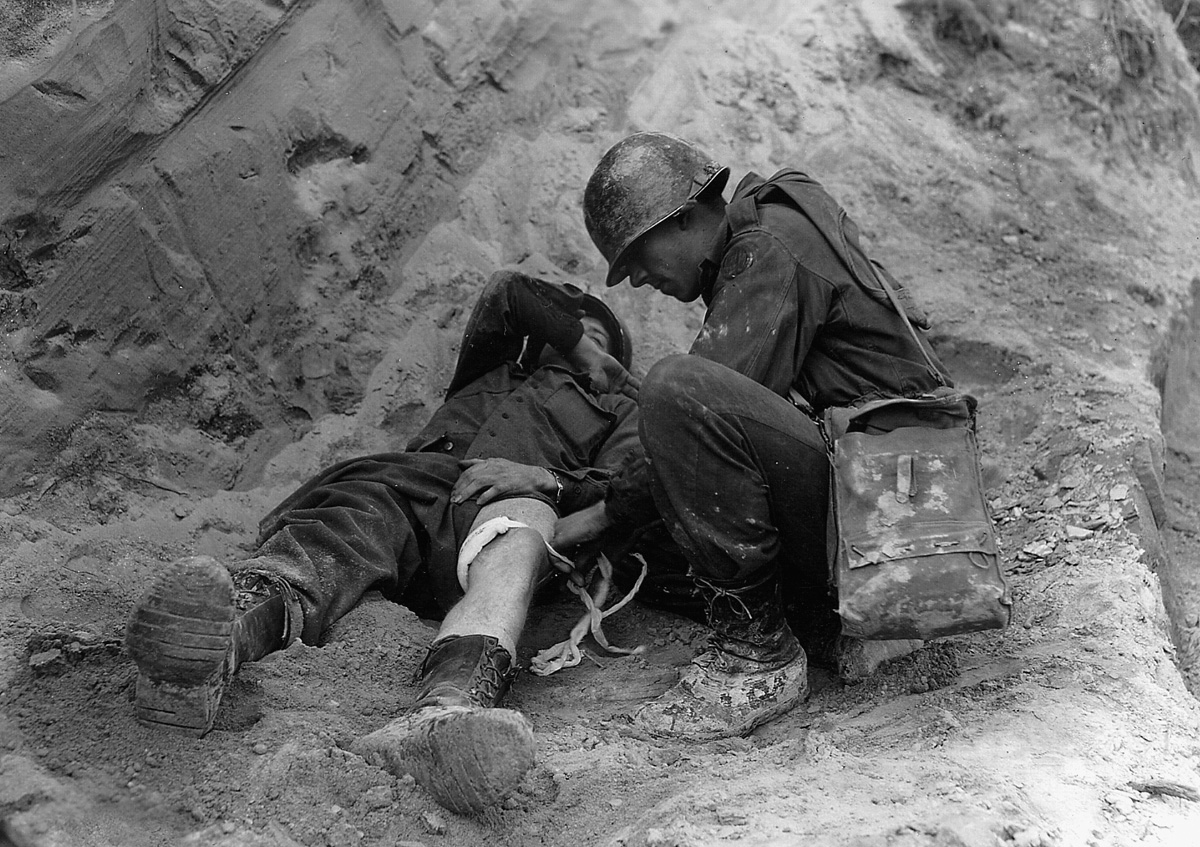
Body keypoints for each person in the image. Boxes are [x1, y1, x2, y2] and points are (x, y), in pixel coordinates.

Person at [125, 270, 640, 813]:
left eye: (599, 337)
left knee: (519, 537)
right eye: (569, 330)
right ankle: (216, 643)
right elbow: (508, 293)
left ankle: (445, 711)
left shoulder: (625, 410)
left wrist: (546, 481)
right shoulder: (492, 367)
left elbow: (625, 495)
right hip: (412, 483)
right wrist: (584, 347)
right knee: (344, 521)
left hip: (508, 501)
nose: (580, 340)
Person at [556, 131, 953, 741]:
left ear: (686, 217)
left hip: (894, 511)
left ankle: (757, 658)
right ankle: (835, 630)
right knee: (664, 553)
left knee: (675, 389)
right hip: (897, 496)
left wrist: (600, 512)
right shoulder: (767, 234)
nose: (635, 280)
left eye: (636, 256)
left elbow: (697, 420)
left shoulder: (765, 250)